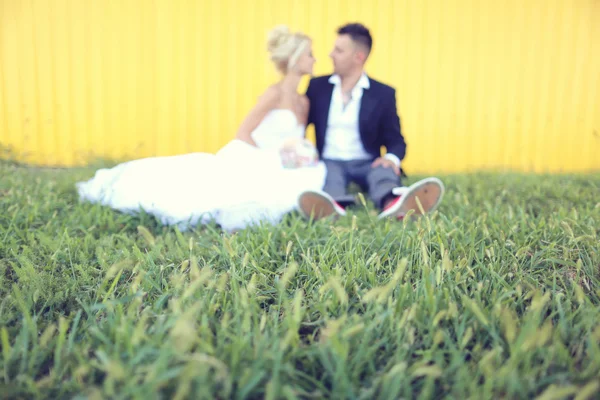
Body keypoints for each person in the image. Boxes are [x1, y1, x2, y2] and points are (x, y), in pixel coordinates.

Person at [76, 25, 326, 233]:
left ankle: (318, 206)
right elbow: (243, 132)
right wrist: (267, 160)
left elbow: (296, 141)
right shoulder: (274, 93)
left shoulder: (304, 101)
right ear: (295, 59)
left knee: (310, 173)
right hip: (252, 155)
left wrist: (299, 157)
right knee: (203, 192)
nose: (314, 59)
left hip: (281, 162)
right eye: (310, 54)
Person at [297, 23, 445, 221]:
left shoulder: (382, 94)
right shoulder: (317, 87)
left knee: (383, 174)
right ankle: (331, 208)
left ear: (359, 57)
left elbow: (396, 140)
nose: (331, 54)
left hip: (367, 161)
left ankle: (395, 205)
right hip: (329, 160)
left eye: (339, 51)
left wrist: (391, 158)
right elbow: (300, 125)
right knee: (330, 180)